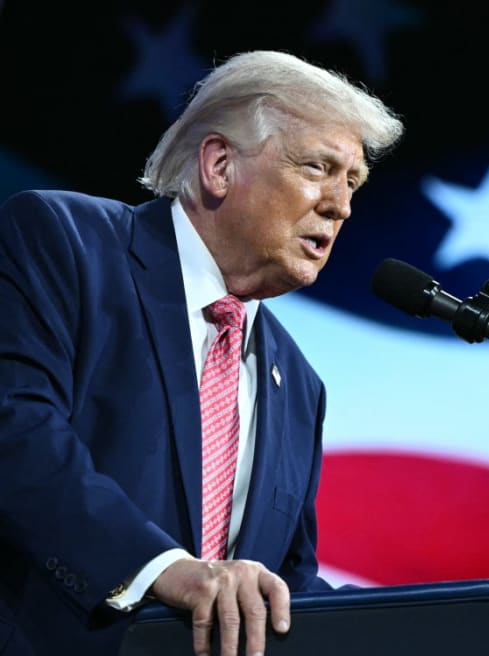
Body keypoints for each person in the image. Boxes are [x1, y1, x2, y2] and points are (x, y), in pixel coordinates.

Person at [0, 50, 403, 655]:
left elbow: (283, 586)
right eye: (318, 167)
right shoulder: (67, 243)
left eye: (352, 183)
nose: (340, 205)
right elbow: (17, 433)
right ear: (219, 165)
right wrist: (163, 567)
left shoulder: (298, 384)